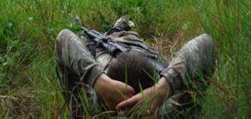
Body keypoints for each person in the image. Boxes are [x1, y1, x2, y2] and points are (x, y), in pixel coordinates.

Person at [55, 16, 216, 117]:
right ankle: (119, 27)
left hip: (97, 51)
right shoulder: (168, 111)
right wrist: (162, 88)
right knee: (126, 33)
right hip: (138, 48)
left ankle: (113, 28)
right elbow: (206, 43)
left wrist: (100, 82)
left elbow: (64, 38)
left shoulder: (93, 109)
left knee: (87, 38)